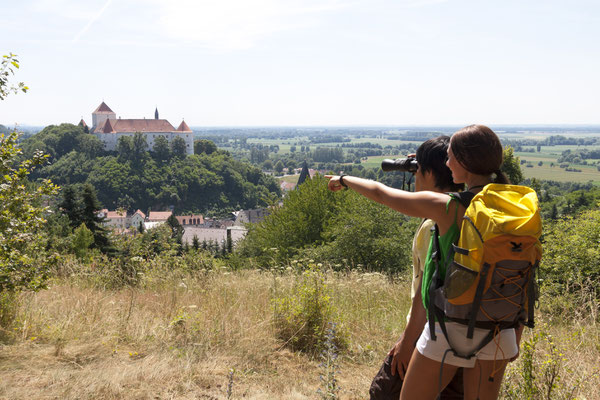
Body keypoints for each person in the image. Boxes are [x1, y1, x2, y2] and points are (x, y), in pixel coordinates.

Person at [327, 125, 522, 400]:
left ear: (464, 163)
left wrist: (345, 179)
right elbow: (522, 272)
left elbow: (383, 194)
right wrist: (516, 334)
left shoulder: (449, 207)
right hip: (500, 329)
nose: (447, 163)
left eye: (450, 156)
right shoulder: (517, 207)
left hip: (451, 327)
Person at [368, 136, 464, 400]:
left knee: (383, 393)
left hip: (432, 337)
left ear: (430, 172)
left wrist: (407, 342)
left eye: (418, 170)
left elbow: (427, 291)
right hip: (472, 335)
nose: (416, 176)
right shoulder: (472, 209)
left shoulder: (433, 224)